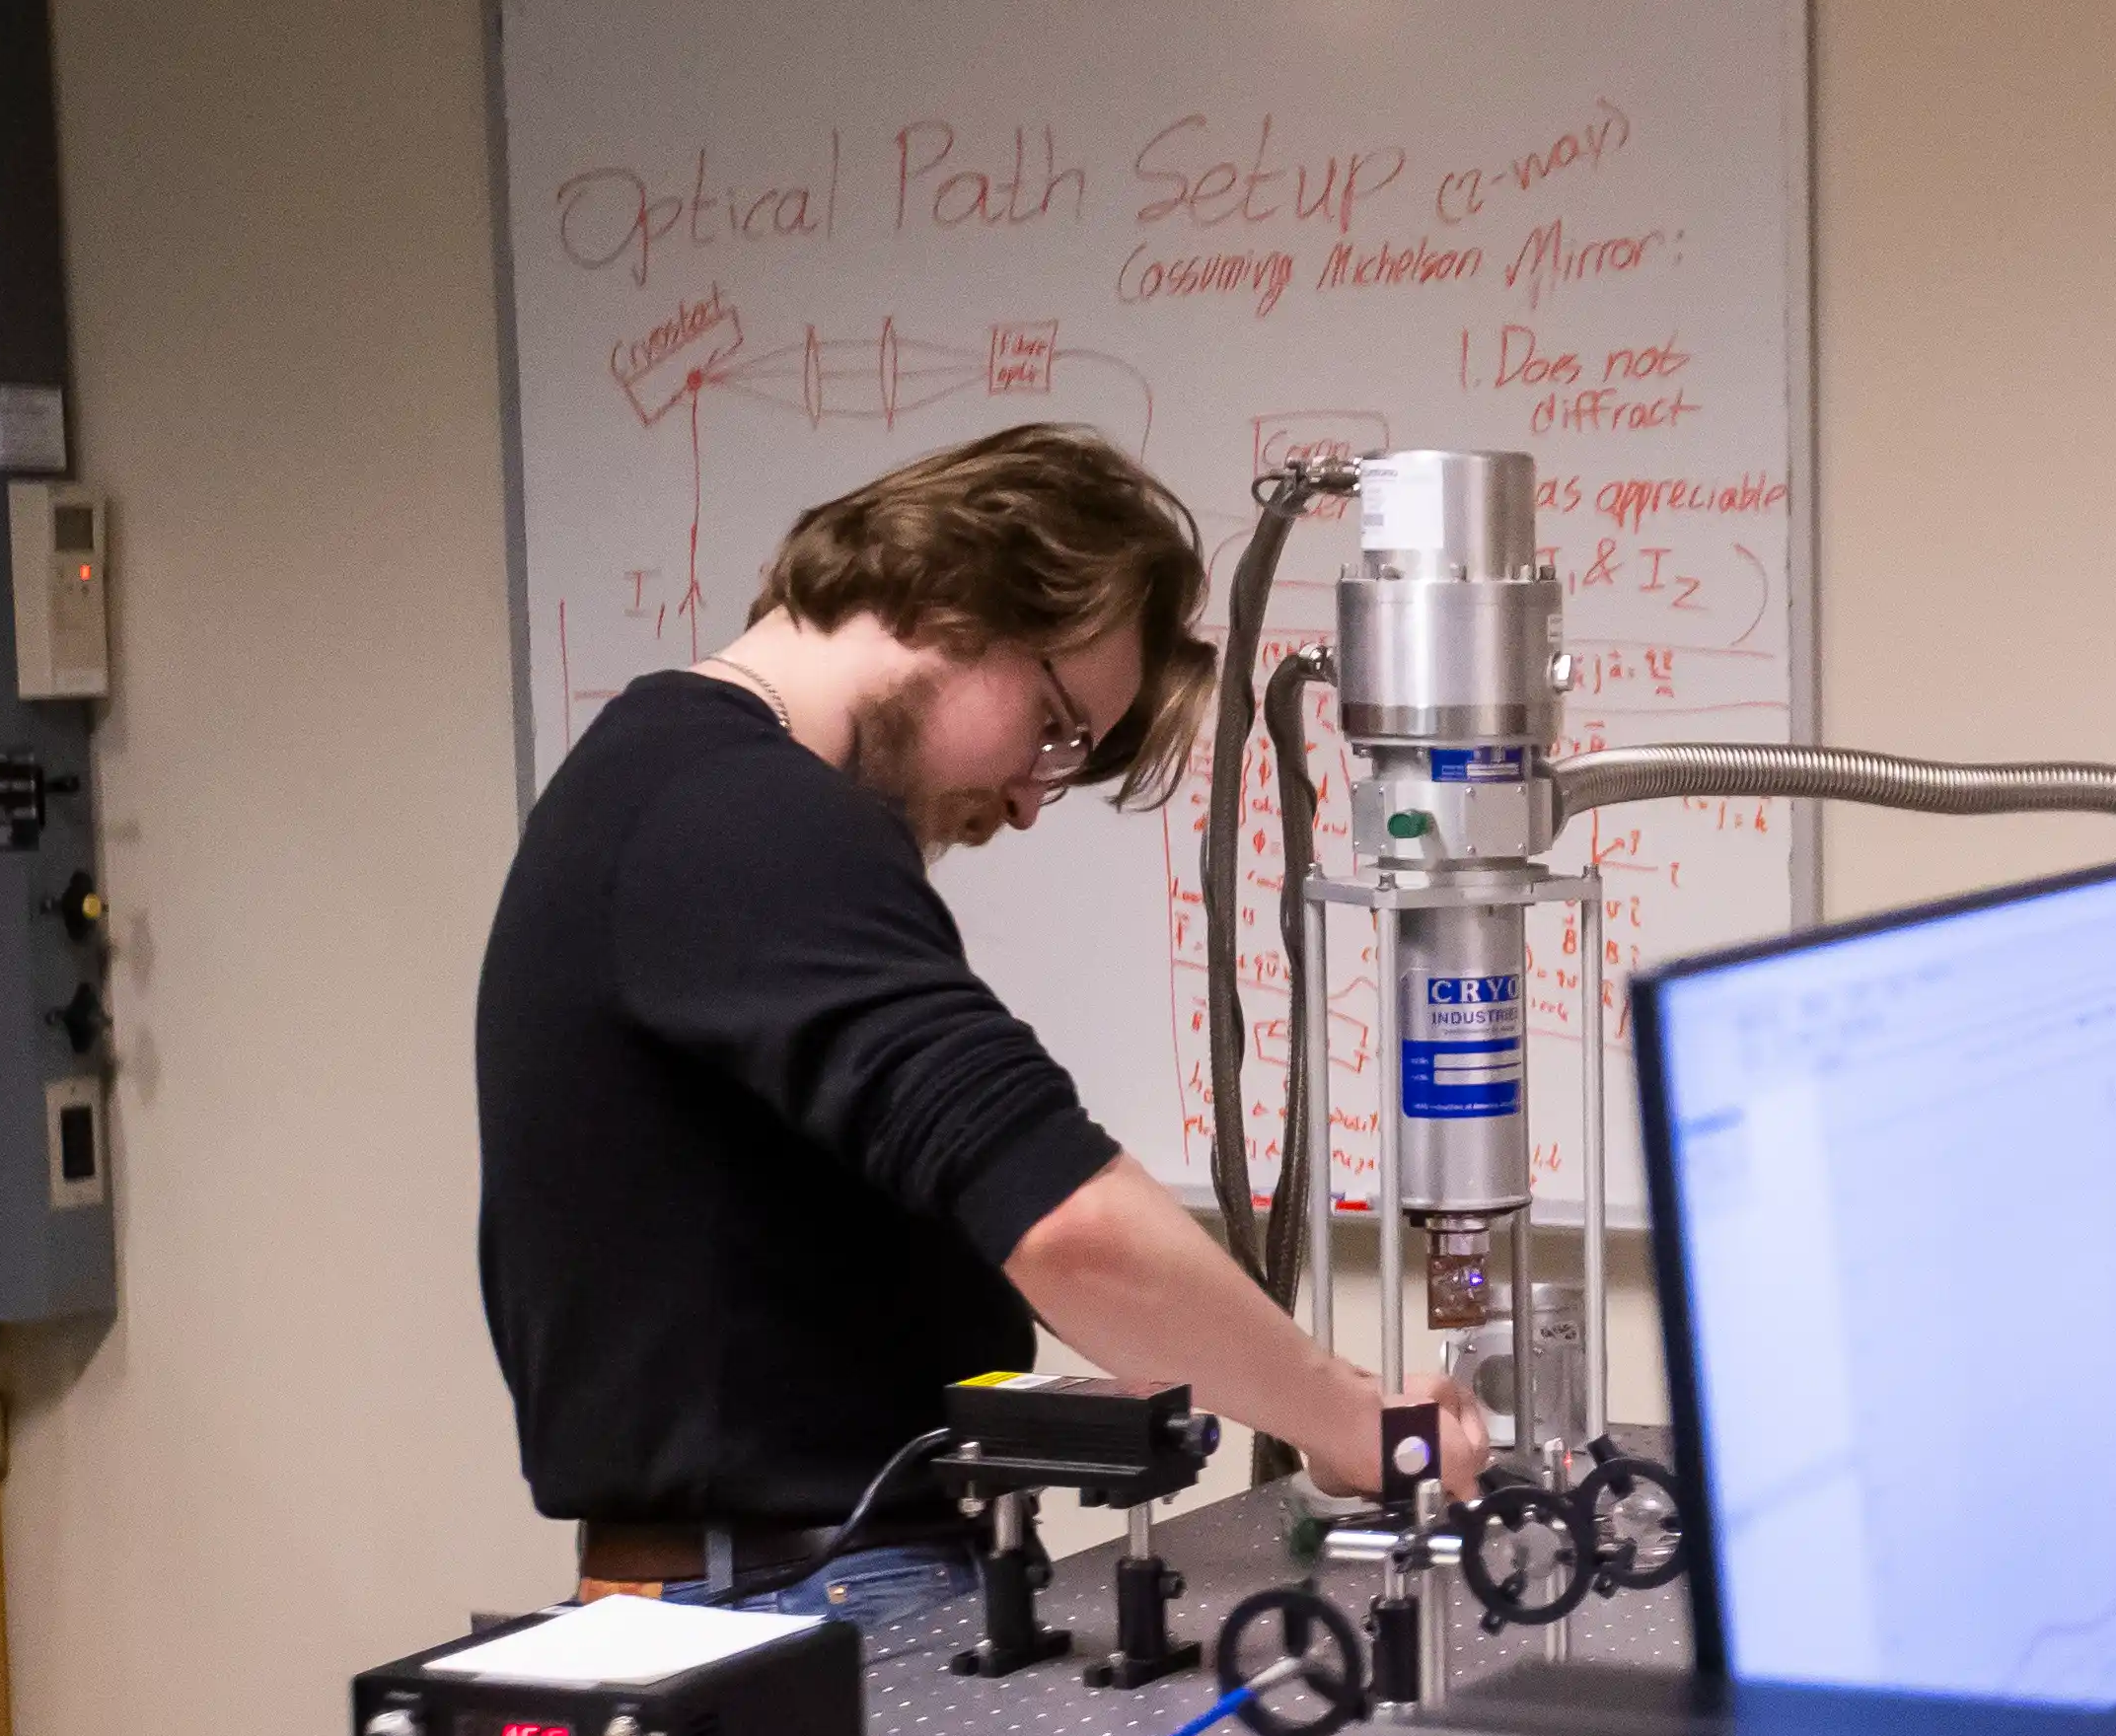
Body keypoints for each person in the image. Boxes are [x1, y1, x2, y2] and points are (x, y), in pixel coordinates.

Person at [478, 421, 1434, 1614]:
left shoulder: (667, 780)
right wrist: (1355, 1426)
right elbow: (1065, 1221)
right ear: (952, 596)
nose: (1033, 804)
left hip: (786, 1569)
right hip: (793, 1591)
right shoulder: (745, 821)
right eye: (1055, 731)